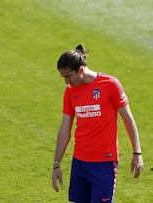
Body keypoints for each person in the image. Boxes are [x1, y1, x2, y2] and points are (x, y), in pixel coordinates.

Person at [51, 44, 144, 203]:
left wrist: (137, 153)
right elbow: (64, 130)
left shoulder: (110, 85)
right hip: (79, 162)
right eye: (63, 78)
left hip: (104, 163)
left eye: (68, 76)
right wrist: (56, 165)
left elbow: (127, 118)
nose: (66, 82)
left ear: (80, 70)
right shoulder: (70, 92)